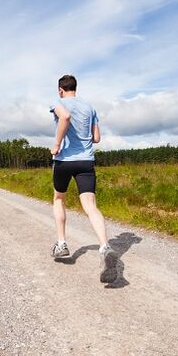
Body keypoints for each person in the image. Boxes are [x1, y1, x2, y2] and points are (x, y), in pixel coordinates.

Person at [49, 74, 117, 283]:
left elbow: (65, 117)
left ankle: (61, 244)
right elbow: (96, 138)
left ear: (61, 90)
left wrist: (57, 144)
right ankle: (105, 247)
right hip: (86, 162)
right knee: (90, 205)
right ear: (75, 88)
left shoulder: (58, 103)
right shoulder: (90, 108)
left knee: (59, 198)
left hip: (64, 161)